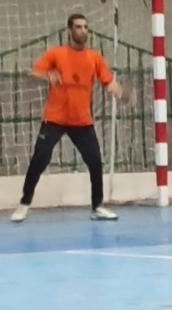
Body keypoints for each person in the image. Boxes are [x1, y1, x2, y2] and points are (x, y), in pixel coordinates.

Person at [11, 13, 128, 222]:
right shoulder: (56, 53)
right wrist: (47, 75)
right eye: (78, 27)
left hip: (81, 121)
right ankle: (24, 203)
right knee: (39, 160)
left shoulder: (94, 57)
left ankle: (97, 207)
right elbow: (32, 73)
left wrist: (122, 93)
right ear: (69, 31)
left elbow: (109, 82)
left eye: (85, 27)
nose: (83, 31)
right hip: (55, 119)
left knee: (95, 162)